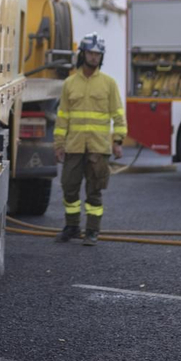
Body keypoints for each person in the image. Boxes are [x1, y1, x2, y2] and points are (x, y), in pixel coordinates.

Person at [52, 33, 127, 246]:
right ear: (83, 54)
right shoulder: (69, 84)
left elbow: (117, 114)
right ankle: (72, 226)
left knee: (94, 191)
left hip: (98, 147)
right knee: (69, 187)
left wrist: (118, 140)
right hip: (74, 145)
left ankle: (92, 231)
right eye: (91, 53)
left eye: (98, 54)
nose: (94, 57)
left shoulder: (109, 84)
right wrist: (59, 144)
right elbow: (62, 116)